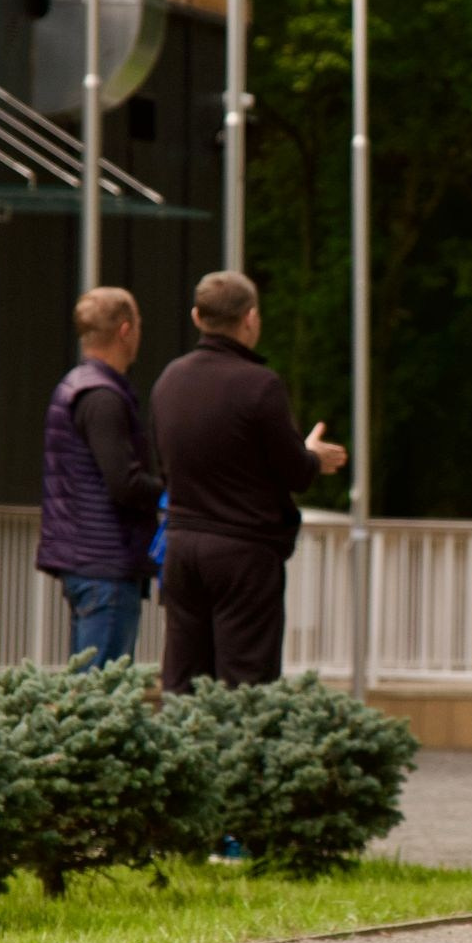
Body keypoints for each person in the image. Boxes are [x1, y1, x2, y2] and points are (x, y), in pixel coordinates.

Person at [148, 271, 347, 694]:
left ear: (197, 316)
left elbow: (165, 463)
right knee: (245, 684)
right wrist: (311, 456)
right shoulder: (260, 386)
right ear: (251, 318)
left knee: (182, 679)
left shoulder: (169, 380)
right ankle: (239, 761)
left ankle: (180, 757)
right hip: (243, 552)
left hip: (181, 548)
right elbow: (293, 471)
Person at [35, 287, 164, 668]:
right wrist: (177, 492)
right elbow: (123, 483)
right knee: (101, 694)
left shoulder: (75, 387)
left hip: (85, 558)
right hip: (105, 562)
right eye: (139, 323)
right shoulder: (103, 398)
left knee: (88, 689)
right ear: (125, 330)